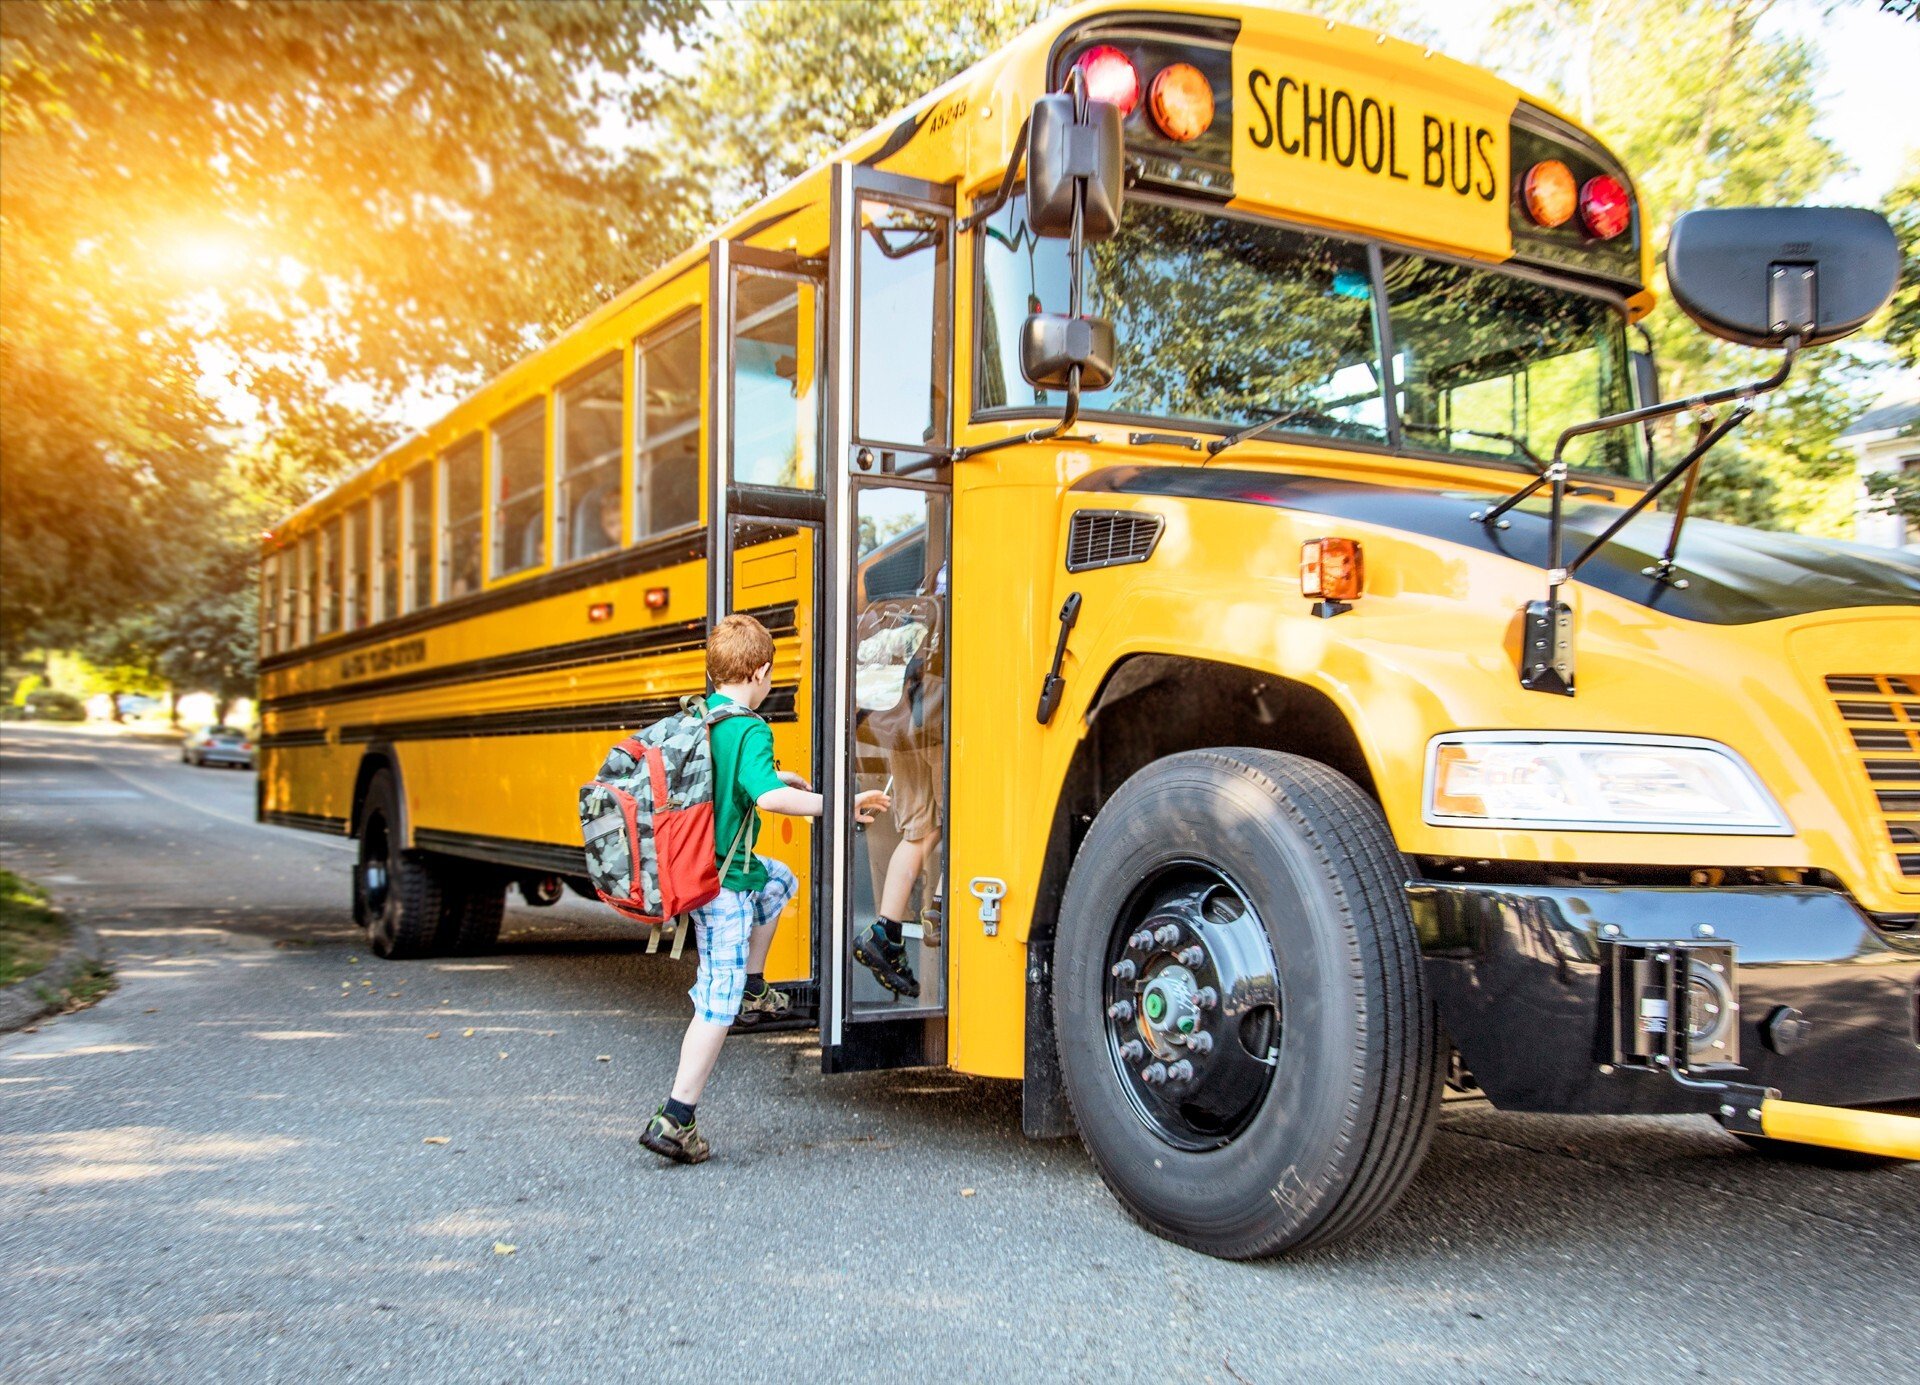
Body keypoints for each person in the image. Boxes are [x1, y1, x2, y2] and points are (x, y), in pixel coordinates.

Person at [640, 613, 889, 1165]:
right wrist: (837, 804)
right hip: (721, 889)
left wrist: (782, 778)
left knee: (778, 880)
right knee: (715, 1005)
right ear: (760, 672)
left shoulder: (705, 715)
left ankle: (755, 984)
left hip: (714, 871)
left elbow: (745, 781)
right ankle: (675, 1118)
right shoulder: (751, 725)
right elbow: (768, 800)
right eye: (771, 674)